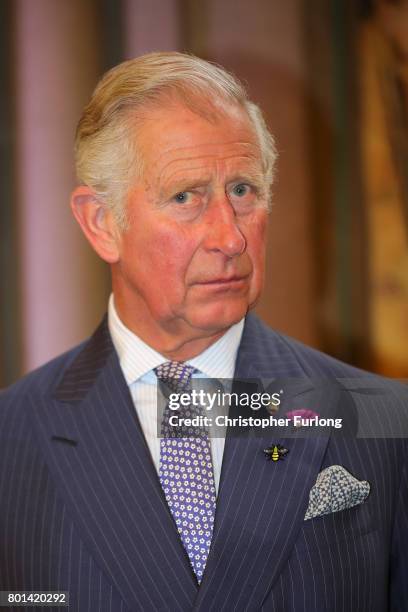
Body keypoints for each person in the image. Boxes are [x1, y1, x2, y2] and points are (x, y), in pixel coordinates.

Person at [0, 52, 407, 612]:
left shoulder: (386, 423)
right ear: (102, 223)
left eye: (242, 191)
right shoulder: (12, 437)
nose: (230, 238)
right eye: (186, 196)